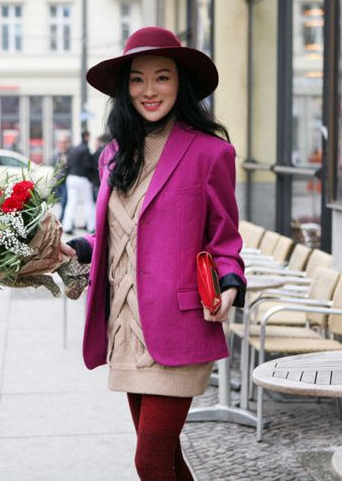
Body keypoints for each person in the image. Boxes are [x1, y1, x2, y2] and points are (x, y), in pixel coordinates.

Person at [60, 27, 246, 480]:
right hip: (125, 327)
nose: (149, 90)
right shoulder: (113, 156)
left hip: (178, 328)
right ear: (125, 89)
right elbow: (114, 234)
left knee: (149, 459)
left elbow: (225, 238)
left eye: (162, 77)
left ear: (180, 83)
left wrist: (230, 285)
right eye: (138, 79)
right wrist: (75, 248)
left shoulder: (210, 153)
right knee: (165, 459)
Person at [62, 130, 96, 235]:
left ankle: (67, 226)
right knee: (88, 203)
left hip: (71, 178)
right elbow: (87, 165)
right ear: (86, 136)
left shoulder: (74, 149)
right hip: (82, 178)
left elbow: (68, 164)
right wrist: (92, 178)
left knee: (71, 203)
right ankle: (91, 227)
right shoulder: (85, 149)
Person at [49, 135, 70, 222]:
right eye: (61, 142)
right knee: (60, 202)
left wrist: (66, 163)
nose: (62, 144)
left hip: (66, 181)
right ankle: (62, 220)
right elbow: (54, 167)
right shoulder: (57, 155)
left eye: (64, 142)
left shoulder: (70, 154)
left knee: (65, 202)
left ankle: (62, 220)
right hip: (58, 182)